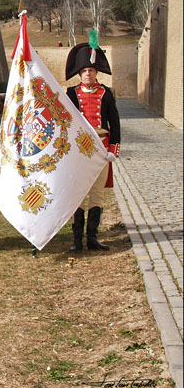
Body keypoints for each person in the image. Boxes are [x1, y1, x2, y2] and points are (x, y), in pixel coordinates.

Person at [65, 33, 120, 252]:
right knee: (78, 193)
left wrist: (113, 148)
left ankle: (92, 238)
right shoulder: (71, 93)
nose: (88, 74)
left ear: (96, 72)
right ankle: (77, 240)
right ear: (79, 73)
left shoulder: (106, 93)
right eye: (84, 71)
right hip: (79, 149)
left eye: (91, 70)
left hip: (101, 147)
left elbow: (114, 122)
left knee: (97, 193)